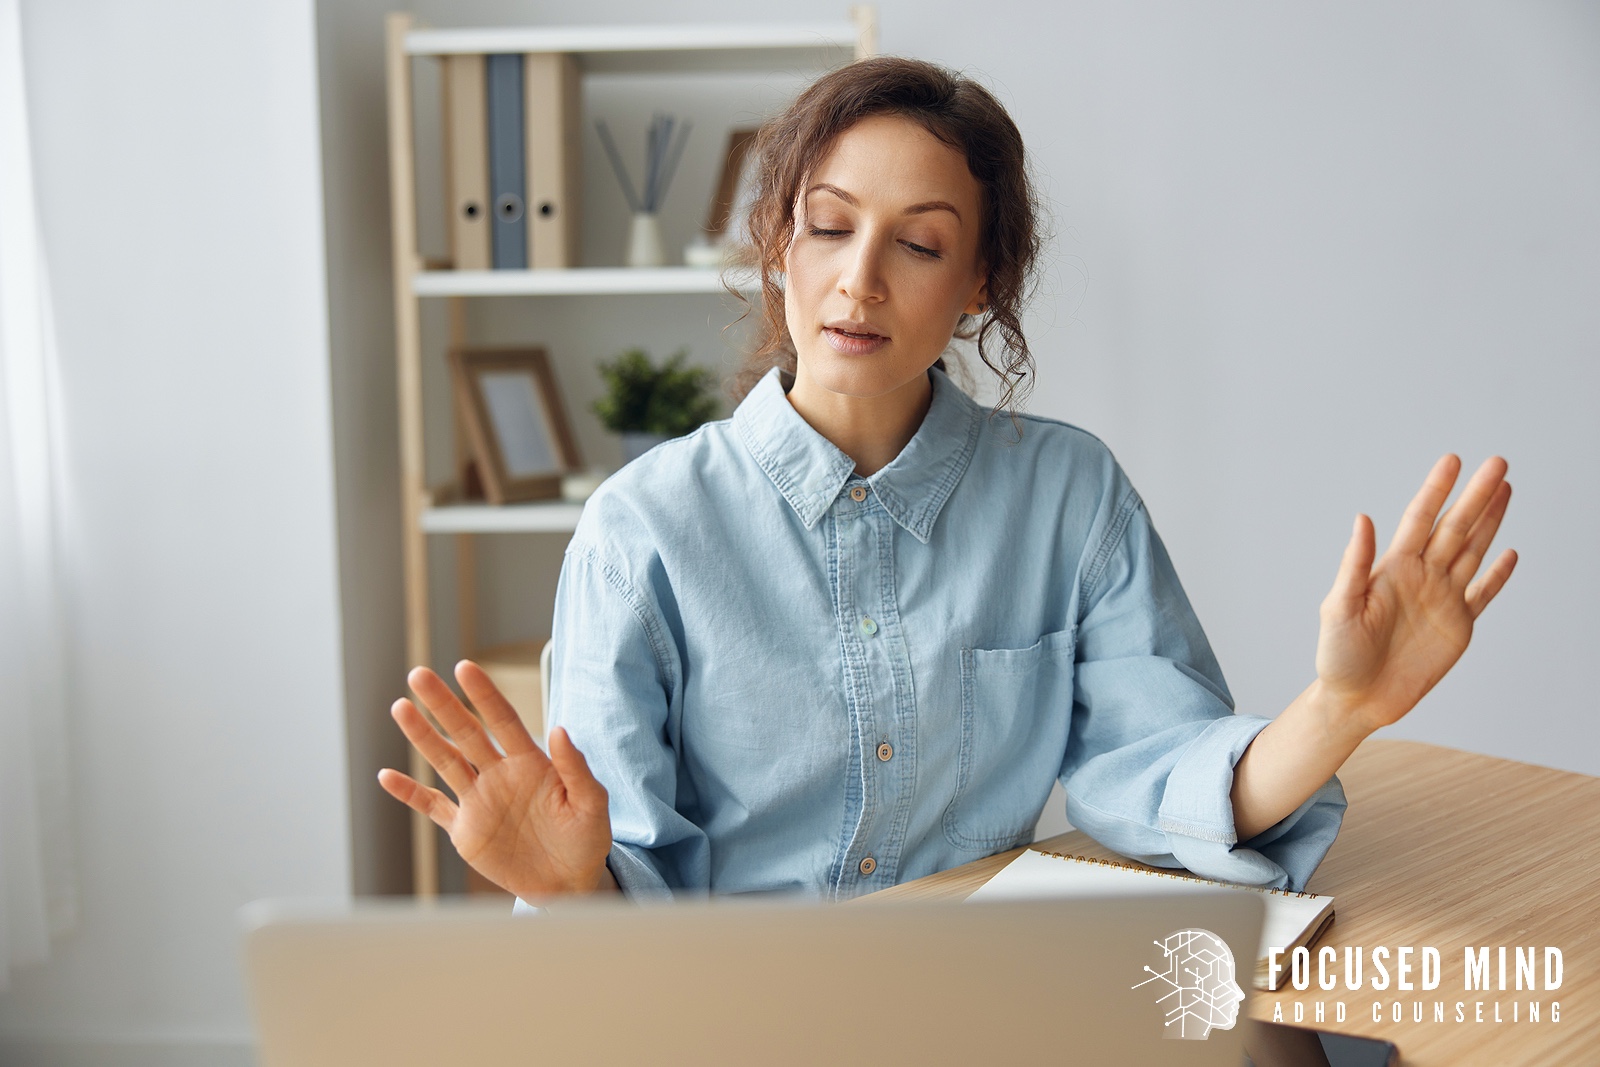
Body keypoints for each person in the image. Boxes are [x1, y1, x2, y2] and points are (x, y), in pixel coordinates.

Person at [377, 57, 1516, 905]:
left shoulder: (1069, 493)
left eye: (917, 246)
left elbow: (1159, 776)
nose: (857, 280)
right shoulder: (644, 530)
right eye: (826, 227)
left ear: (980, 281)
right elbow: (627, 908)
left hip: (984, 996)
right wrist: (568, 885)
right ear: (779, 249)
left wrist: (1344, 707)